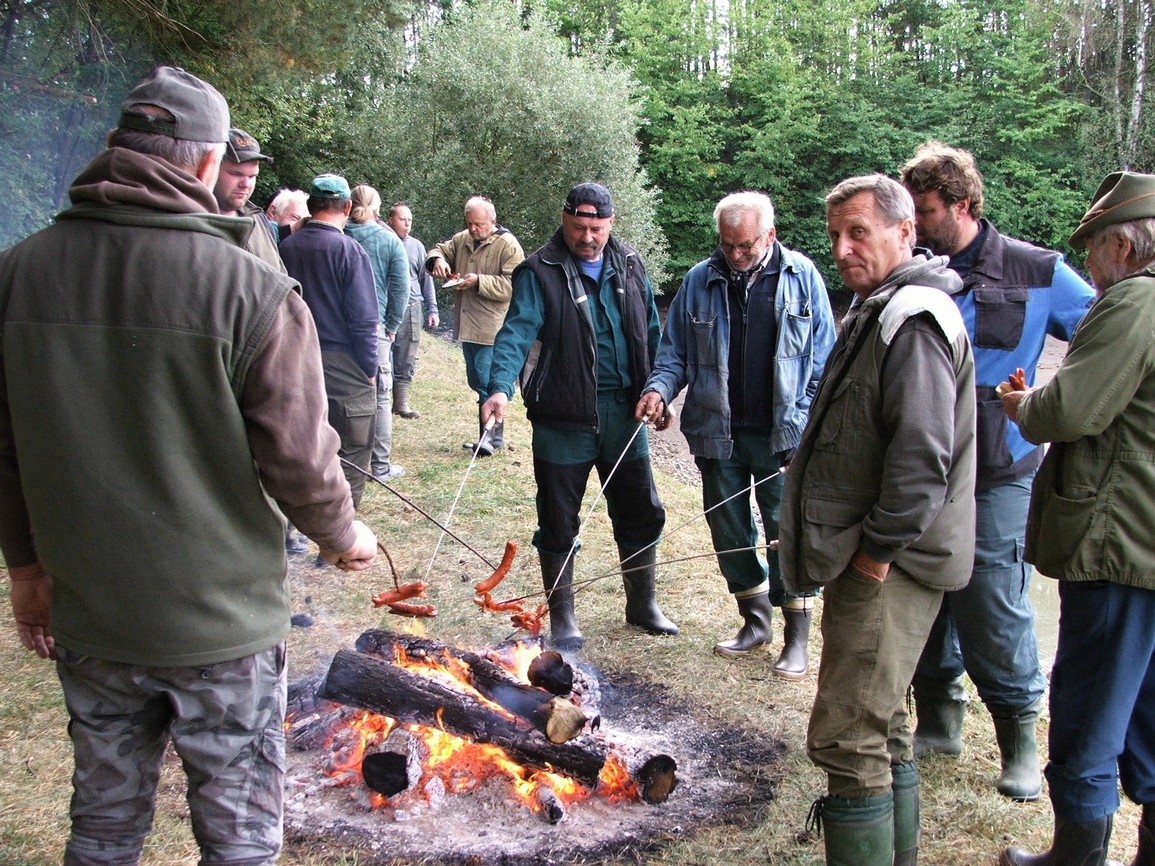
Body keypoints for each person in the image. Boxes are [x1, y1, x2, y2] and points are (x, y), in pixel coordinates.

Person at [0, 66, 377, 865]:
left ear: (116, 147)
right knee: (239, 836)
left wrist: (25, 569)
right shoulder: (252, 287)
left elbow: (5, 446)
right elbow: (300, 457)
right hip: (220, 624)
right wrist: (344, 534)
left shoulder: (18, 271)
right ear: (208, 163)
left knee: (103, 826)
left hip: (91, 612)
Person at [779, 174, 976, 866]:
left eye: (858, 232)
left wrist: (874, 557)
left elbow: (922, 461)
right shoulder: (880, 308)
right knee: (882, 722)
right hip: (880, 556)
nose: (841, 249)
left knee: (848, 735)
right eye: (834, 234)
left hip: (891, 563)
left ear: (904, 232)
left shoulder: (911, 319)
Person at [899, 142, 1096, 801]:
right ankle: (938, 721)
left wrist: (1055, 401)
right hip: (922, 466)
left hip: (999, 468)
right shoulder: (911, 270)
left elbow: (1105, 334)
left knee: (990, 600)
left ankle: (1020, 742)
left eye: (926, 210)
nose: (915, 222)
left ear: (961, 205)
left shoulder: (1037, 270)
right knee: (923, 592)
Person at [997, 171, 1155, 866]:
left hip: (1119, 543)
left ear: (1121, 245)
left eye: (1091, 246)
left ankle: (1075, 859)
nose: (1087, 262)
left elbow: (1069, 411)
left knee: (1088, 710)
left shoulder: (1134, 300)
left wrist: (1021, 407)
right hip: (1146, 544)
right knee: (1145, 709)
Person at [635, 191, 835, 676]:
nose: (736, 254)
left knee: (788, 531)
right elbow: (674, 354)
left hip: (784, 434)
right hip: (716, 431)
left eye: (746, 245)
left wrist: (806, 421)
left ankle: (797, 637)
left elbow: (827, 362)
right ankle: (755, 621)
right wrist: (658, 389)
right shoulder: (699, 280)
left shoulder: (803, 277)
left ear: (770, 235)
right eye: (728, 245)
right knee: (729, 530)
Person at [481, 182, 678, 650]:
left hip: (625, 415)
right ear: (565, 220)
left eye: (596, 229)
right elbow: (515, 333)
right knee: (558, 518)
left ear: (610, 224)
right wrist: (499, 388)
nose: (587, 237)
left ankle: (642, 604)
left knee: (641, 509)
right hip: (562, 418)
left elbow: (652, 332)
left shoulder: (630, 264)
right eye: (578, 227)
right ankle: (563, 616)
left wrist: (659, 389)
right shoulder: (539, 271)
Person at [280, 173, 379, 508]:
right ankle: (340, 524)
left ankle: (296, 520)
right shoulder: (349, 251)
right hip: (342, 361)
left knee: (301, 442)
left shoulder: (285, 247)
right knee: (353, 446)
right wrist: (369, 368)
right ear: (347, 207)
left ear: (311, 205)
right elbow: (363, 319)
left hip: (291, 354)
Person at [426, 195, 524, 456]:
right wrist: (437, 260)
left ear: (492, 221)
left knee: (487, 383)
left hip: (492, 329)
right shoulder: (463, 239)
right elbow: (438, 250)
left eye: (478, 224)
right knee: (477, 381)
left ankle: (489, 438)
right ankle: (491, 438)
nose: (472, 229)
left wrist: (478, 281)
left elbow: (514, 286)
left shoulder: (508, 245)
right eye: (469, 223)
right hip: (467, 326)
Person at [345, 185, 409, 482]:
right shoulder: (389, 240)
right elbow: (401, 289)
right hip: (375, 326)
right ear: (378, 209)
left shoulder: (338, 233)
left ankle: (342, 461)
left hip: (337, 327)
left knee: (341, 394)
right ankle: (380, 466)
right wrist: (392, 326)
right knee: (381, 396)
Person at [387, 202, 440, 419]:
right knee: (383, 354)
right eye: (402, 219)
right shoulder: (382, 241)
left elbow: (426, 279)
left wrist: (432, 309)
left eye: (410, 220)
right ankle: (380, 400)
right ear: (391, 220)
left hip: (411, 307)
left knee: (407, 355)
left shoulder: (417, 246)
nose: (407, 224)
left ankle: (401, 403)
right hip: (385, 307)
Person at [212, 126, 283, 270]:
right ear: (212, 168)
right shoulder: (192, 218)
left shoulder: (259, 219)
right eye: (236, 174)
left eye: (252, 176)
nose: (246, 184)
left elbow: (281, 274)